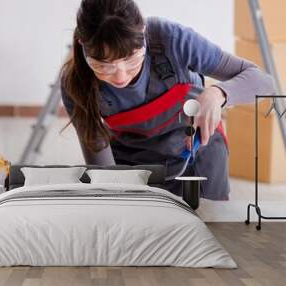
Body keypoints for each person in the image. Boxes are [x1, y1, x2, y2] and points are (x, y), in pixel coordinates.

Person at [59, 0, 275, 200]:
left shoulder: (172, 39)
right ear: (83, 46)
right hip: (133, 163)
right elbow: (103, 170)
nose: (121, 76)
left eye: (132, 60)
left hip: (195, 152)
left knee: (211, 227)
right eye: (104, 67)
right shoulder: (76, 83)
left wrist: (218, 93)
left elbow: (263, 82)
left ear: (143, 33)